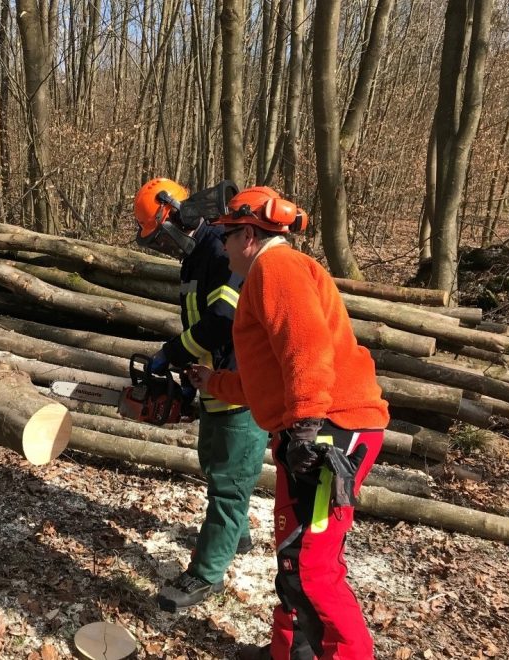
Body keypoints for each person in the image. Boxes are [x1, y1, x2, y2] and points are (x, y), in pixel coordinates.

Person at [186, 186, 389, 659]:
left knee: (312, 568)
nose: (224, 246)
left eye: (230, 236)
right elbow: (268, 378)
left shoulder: (277, 267)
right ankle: (289, 652)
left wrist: (304, 427)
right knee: (295, 556)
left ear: (251, 236)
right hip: (311, 426)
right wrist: (212, 381)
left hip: (330, 431)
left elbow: (307, 349)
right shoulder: (264, 274)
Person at [132, 177, 270, 613]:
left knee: (230, 480)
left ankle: (206, 574)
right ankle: (236, 536)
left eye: (160, 237)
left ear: (173, 217)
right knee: (215, 463)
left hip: (240, 385)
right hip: (213, 382)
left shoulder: (223, 251)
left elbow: (221, 322)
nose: (163, 247)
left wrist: (170, 353)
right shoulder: (194, 258)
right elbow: (202, 325)